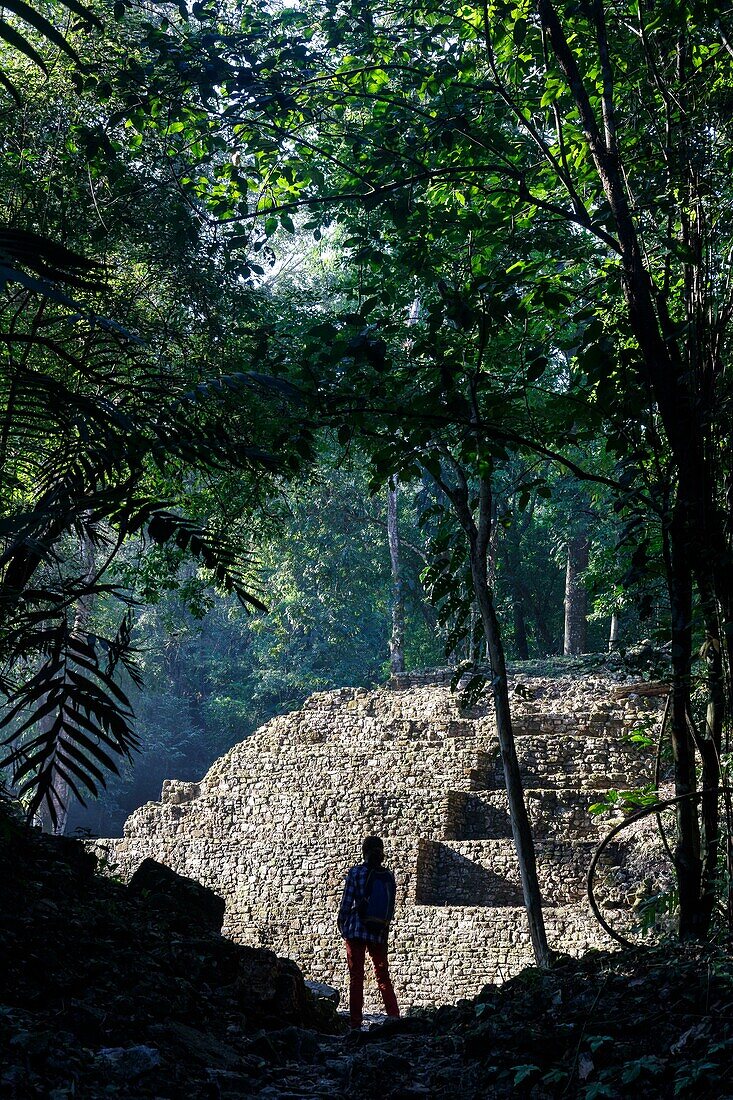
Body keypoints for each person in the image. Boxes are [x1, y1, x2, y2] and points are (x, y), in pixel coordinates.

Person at [337, 835, 400, 1030]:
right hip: (378, 932)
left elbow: (347, 903)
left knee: (356, 977)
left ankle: (355, 1024)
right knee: (382, 975)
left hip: (356, 929)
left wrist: (342, 924)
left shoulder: (356, 872)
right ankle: (394, 1018)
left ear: (363, 851)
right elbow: (390, 908)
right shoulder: (388, 876)